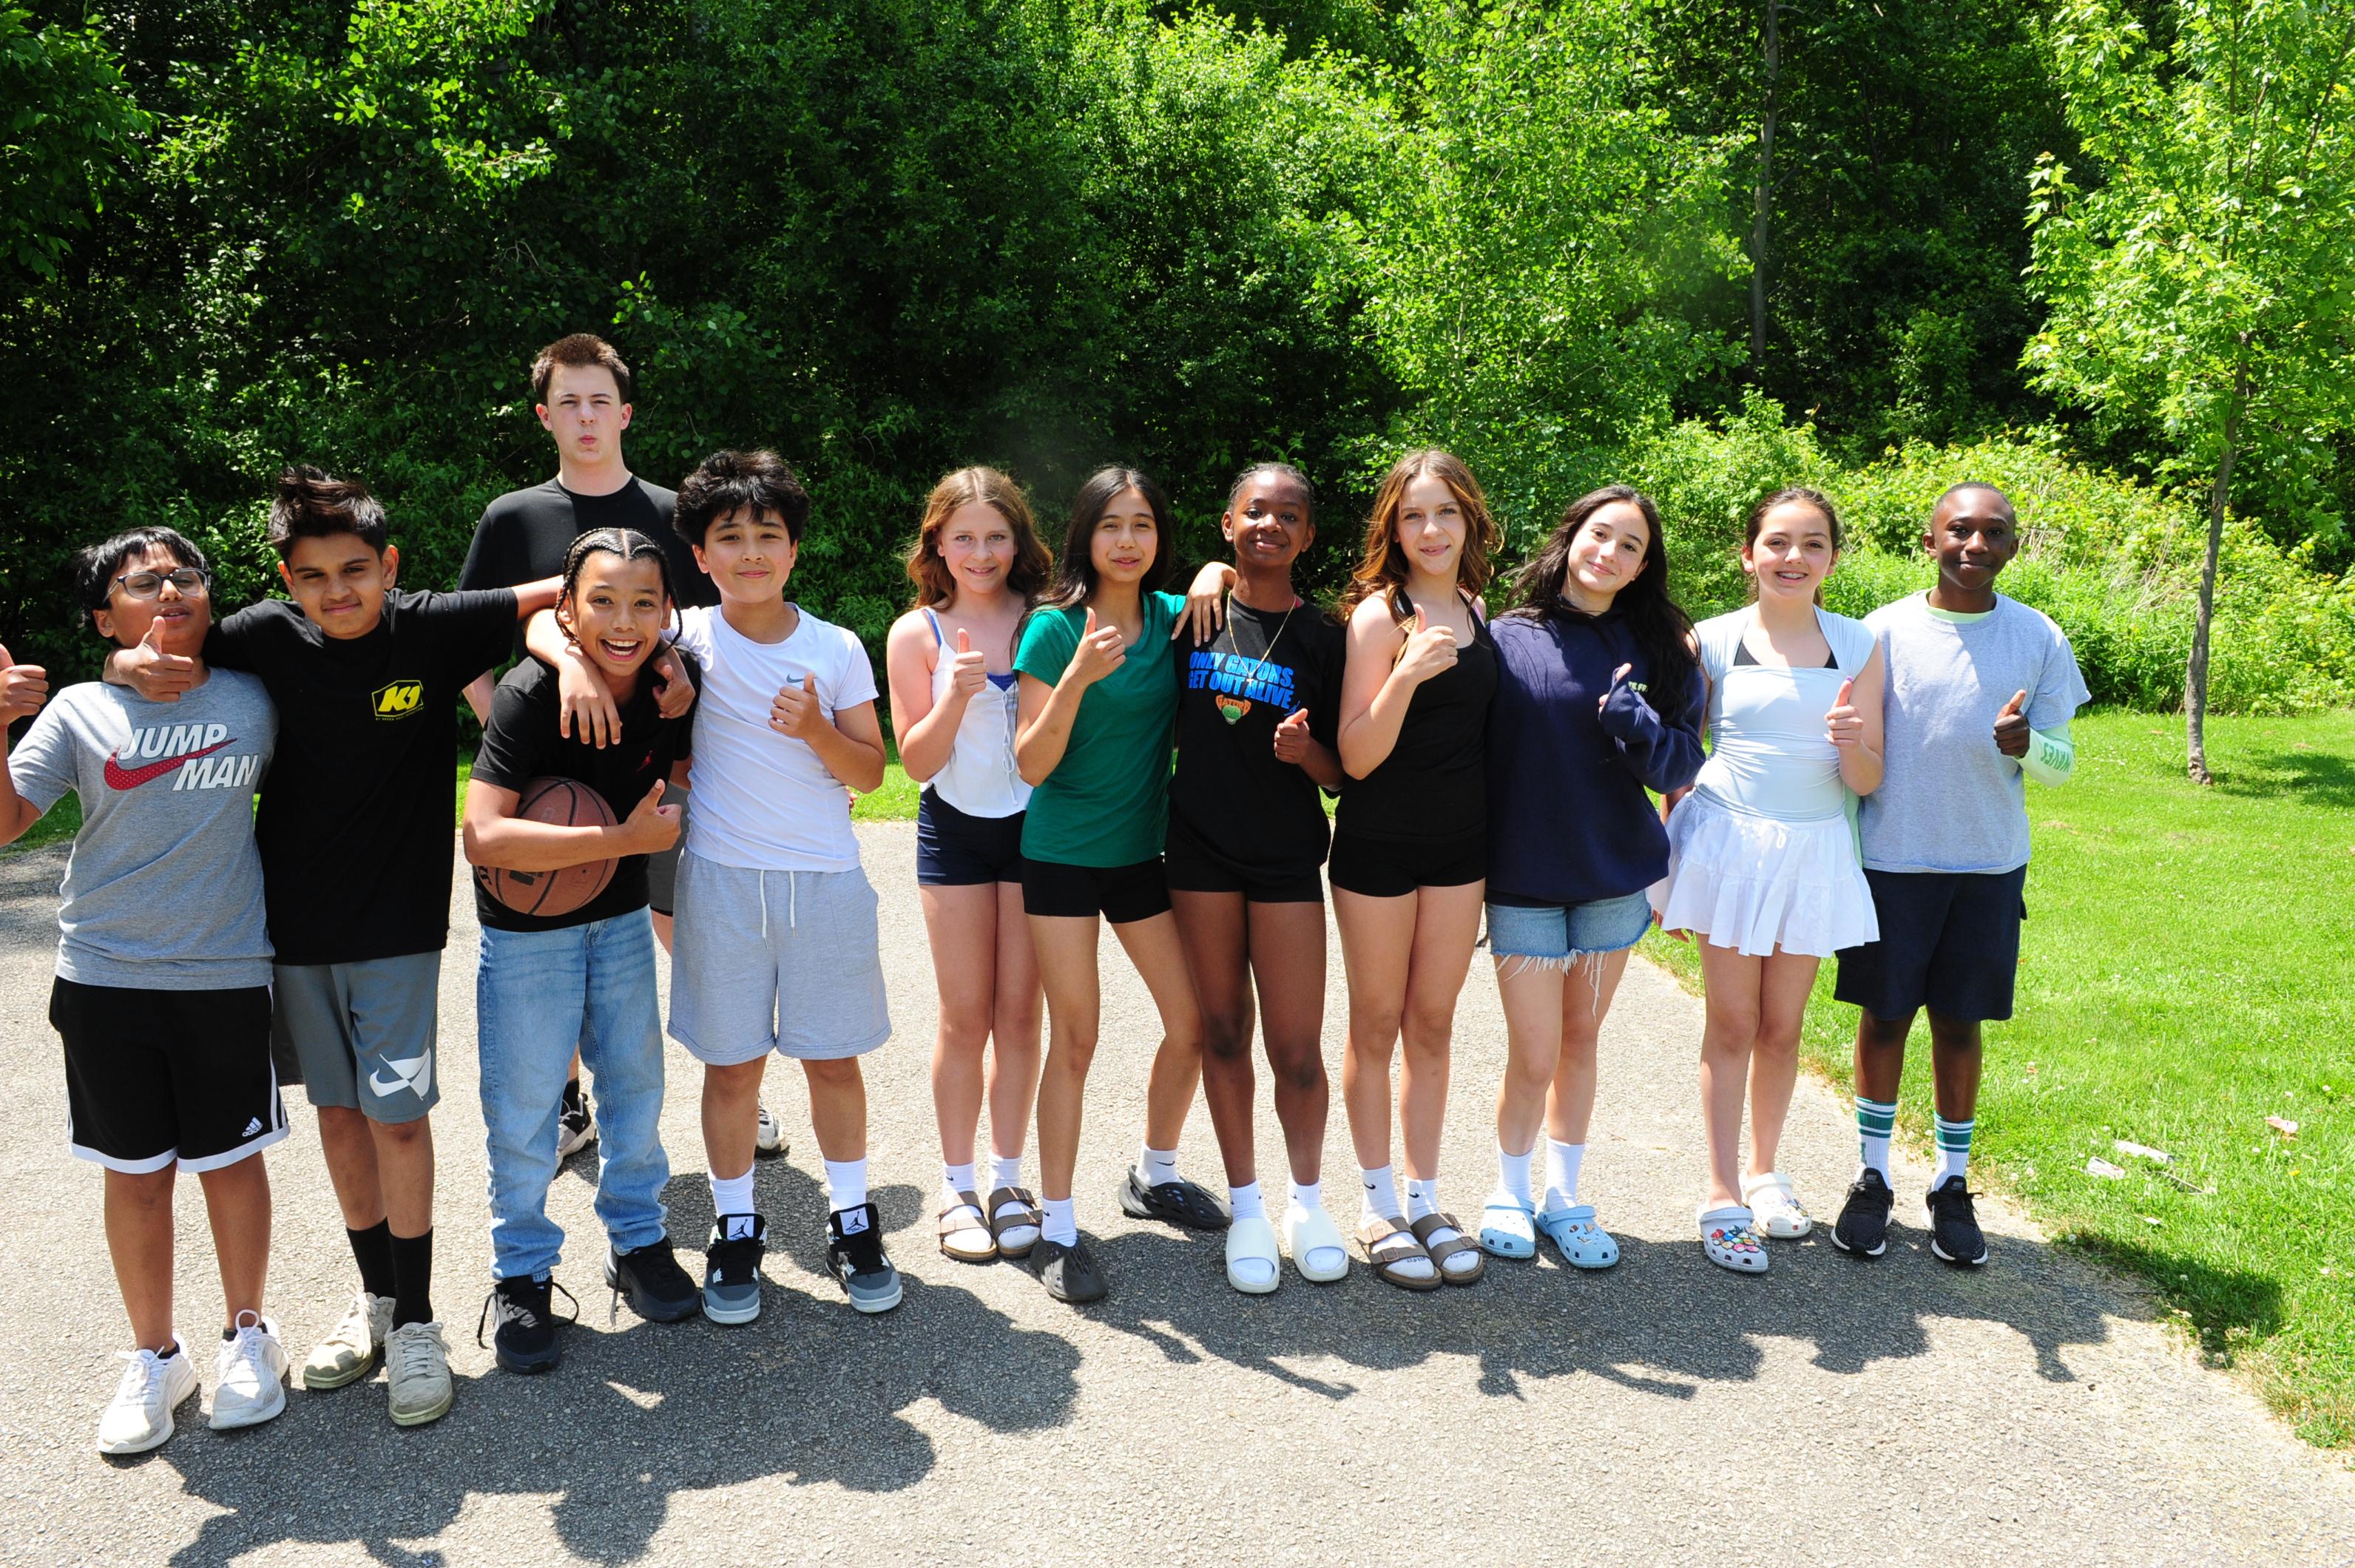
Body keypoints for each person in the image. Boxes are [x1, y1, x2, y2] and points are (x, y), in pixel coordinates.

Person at [108, 468, 561, 1425]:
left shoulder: (431, 627)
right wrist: (119, 666)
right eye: (313, 576)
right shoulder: (264, 637)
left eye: (355, 569)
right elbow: (166, 642)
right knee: (341, 1118)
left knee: (397, 1120)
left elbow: (568, 589)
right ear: (287, 579)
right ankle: (378, 1301)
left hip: (398, 932)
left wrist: (582, 653)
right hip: (293, 933)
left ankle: (421, 1322)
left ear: (389, 565)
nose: (337, 590)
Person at [4, 529, 284, 1453]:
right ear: (102, 618)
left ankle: (249, 1334)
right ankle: (156, 1355)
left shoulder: (254, 692)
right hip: (105, 974)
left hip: (225, 970)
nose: (169, 590)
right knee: (135, 1176)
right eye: (140, 583)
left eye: (184, 576)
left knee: (232, 1163)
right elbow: (8, 823)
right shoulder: (80, 709)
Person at [457, 332, 723, 1165]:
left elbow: (702, 628)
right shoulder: (514, 516)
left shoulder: (672, 513)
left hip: (653, 768)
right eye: (567, 402)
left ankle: (731, 1084)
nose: (585, 416)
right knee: (558, 917)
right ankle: (570, 1104)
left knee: (680, 930)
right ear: (544, 416)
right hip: (554, 781)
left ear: (626, 413)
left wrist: (674, 666)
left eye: (599, 400)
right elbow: (469, 640)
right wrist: (508, 725)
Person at [650, 450, 898, 1319]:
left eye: (768, 534)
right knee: (731, 1069)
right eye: (730, 536)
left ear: (794, 549)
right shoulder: (680, 636)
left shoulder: (835, 646)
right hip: (721, 883)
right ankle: (734, 1227)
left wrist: (819, 731)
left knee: (833, 1059)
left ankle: (852, 1219)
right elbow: (581, 630)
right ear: (700, 554)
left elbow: (870, 772)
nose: (751, 552)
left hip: (825, 881)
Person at [1831, 482, 2089, 1268]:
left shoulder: (2038, 635)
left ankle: (1950, 1182)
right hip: (1892, 860)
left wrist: (2028, 745)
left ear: (2013, 545)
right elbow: (1853, 746)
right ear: (1930, 539)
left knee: (1958, 1020)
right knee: (1883, 1016)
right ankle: (1873, 1175)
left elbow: (2061, 764)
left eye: (1994, 532)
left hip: (1987, 866)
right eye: (1960, 529)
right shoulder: (1880, 631)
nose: (1975, 544)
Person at [465, 529, 701, 1368]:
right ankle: (522, 1273)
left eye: (644, 603)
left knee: (635, 1087)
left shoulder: (672, 685)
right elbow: (483, 835)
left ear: (667, 612)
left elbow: (681, 773)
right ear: (567, 610)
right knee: (526, 1106)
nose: (623, 620)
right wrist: (619, 839)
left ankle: (637, 1241)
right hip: (528, 928)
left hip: (621, 917)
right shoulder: (533, 692)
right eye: (602, 601)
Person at [1652, 487, 1885, 1274]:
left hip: (1813, 853)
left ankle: (1765, 1175)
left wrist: (1852, 743)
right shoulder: (1711, 639)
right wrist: (1676, 866)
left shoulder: (1858, 644)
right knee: (1731, 1022)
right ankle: (1721, 1192)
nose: (1794, 557)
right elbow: (1679, 759)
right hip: (1728, 849)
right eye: (1778, 542)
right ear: (1748, 554)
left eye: (1813, 543)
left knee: (1782, 1027)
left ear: (1833, 560)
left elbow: (1867, 778)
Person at [1477, 487, 1705, 1271]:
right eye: (1599, 534)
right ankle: (1508, 1191)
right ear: (1571, 536)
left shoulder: (1663, 647)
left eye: (1630, 545)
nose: (1609, 552)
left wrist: (1638, 726)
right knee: (1534, 1050)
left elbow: (1679, 763)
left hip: (1612, 877)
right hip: (1523, 877)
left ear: (1643, 566)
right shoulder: (1506, 637)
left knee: (1579, 1040)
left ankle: (1563, 1196)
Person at [1012, 467, 1220, 1305]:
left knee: (1191, 1025)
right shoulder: (1052, 627)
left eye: (1143, 524)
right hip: (1061, 852)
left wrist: (1216, 571)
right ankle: (1058, 1227)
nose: (1127, 540)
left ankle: (1154, 1175)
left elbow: (1227, 580)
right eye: (1111, 524)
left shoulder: (1174, 617)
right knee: (1076, 1037)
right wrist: (1076, 678)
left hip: (1141, 856)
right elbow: (1030, 763)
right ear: (1084, 535)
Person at [1163, 464, 1352, 1294]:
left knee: (1298, 1050)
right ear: (1228, 522)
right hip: (1199, 855)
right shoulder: (1191, 615)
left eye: (1289, 515)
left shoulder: (1325, 637)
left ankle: (1307, 1203)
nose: (1270, 524)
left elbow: (1343, 773)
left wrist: (1307, 753)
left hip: (1284, 859)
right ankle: (1246, 1208)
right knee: (1223, 1030)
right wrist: (1207, 578)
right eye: (1255, 511)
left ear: (1307, 535)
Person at [1331, 449, 1501, 1291]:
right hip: (1380, 847)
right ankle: (1378, 1207)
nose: (1431, 530)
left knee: (1432, 1024)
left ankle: (1426, 1199)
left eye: (1445, 513)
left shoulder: (1476, 608)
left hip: (1459, 852)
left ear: (1469, 520)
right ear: (1392, 530)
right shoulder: (1378, 617)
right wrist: (1404, 673)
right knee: (1375, 1023)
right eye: (1413, 515)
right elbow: (1355, 757)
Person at [884, 468, 1052, 1265]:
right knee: (964, 1016)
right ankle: (956, 1187)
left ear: (1018, 542)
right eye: (964, 538)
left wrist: (1213, 571)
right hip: (952, 832)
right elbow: (916, 763)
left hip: (1037, 833)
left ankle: (1008, 1180)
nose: (980, 553)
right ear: (938, 545)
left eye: (996, 536)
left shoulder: (1047, 618)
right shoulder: (916, 633)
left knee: (1019, 1015)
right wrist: (953, 694)